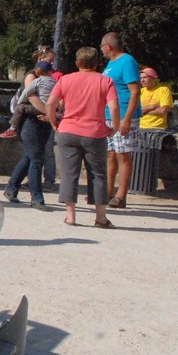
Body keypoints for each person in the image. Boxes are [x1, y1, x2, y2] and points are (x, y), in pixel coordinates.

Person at [45, 46, 120, 228]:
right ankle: (100, 218)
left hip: (68, 130)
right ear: (97, 63)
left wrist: (53, 122)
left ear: (77, 63)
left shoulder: (66, 80)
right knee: (98, 174)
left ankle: (71, 216)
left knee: (69, 174)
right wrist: (115, 127)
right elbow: (114, 108)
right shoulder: (106, 81)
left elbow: (50, 104)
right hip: (94, 132)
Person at [3, 59, 55, 209]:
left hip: (43, 121)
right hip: (30, 122)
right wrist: (49, 112)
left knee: (29, 157)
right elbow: (30, 97)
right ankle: (37, 198)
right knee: (37, 159)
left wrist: (50, 114)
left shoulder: (51, 82)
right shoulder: (33, 79)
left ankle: (11, 189)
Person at [100, 32, 141, 208]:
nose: (101, 50)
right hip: (109, 115)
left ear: (108, 46)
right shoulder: (111, 64)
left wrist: (127, 119)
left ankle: (121, 195)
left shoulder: (127, 61)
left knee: (123, 155)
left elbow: (135, 91)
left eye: (102, 46)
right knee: (110, 155)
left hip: (123, 115)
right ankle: (107, 192)